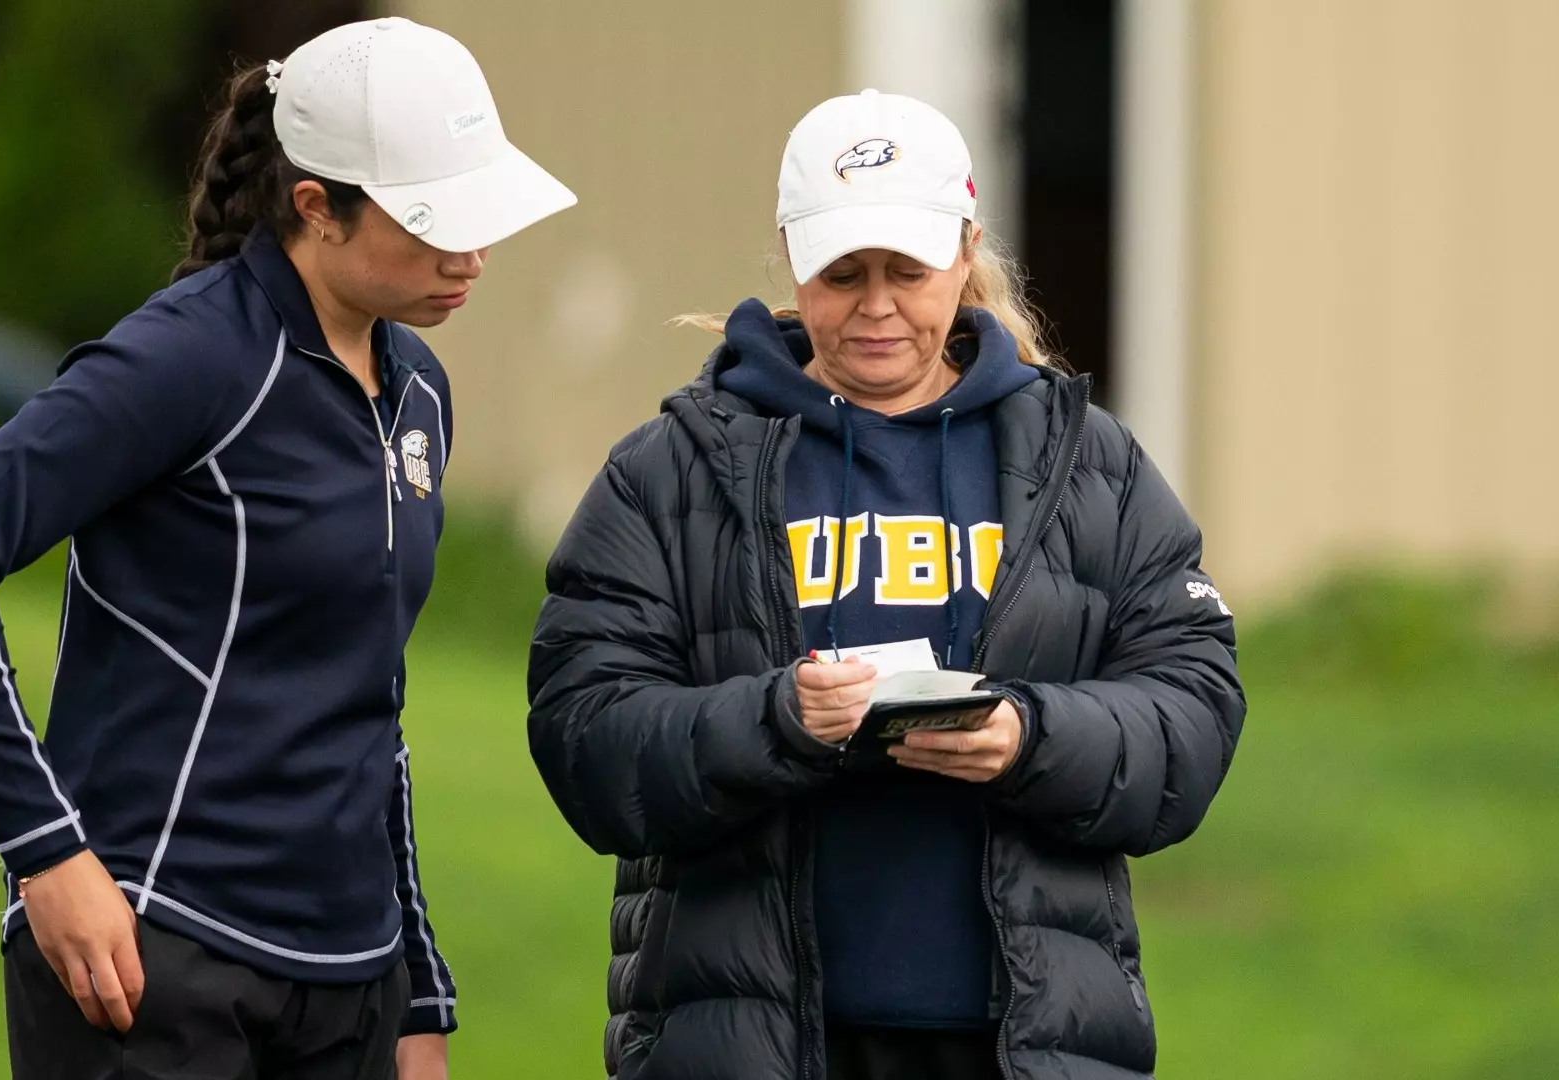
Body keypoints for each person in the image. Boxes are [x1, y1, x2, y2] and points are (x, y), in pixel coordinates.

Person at [0, 17, 574, 1080]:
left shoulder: (419, 390)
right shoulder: (189, 356)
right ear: (315, 208)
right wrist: (46, 854)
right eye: (434, 220)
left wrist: (416, 993)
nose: (471, 254)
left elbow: (371, 706)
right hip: (155, 957)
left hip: (350, 984)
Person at [527, 90, 1243, 1080]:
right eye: (841, 272)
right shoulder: (673, 469)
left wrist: (1027, 735)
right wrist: (776, 721)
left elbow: (1193, 708)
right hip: (747, 1042)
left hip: (1023, 1046)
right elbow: (584, 732)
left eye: (906, 270)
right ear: (790, 255)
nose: (874, 305)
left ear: (964, 251)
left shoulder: (1091, 465)